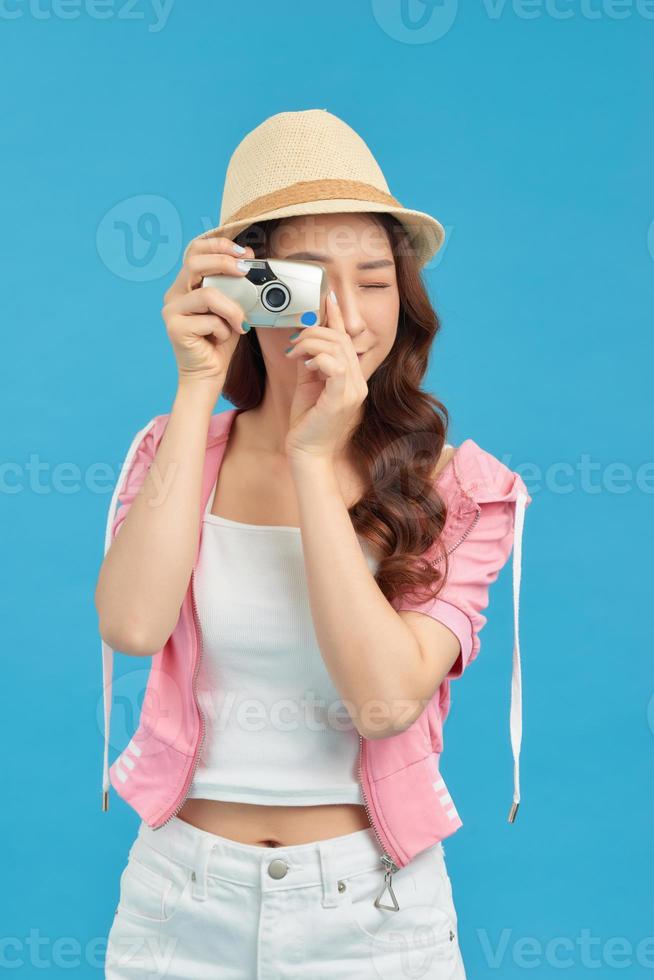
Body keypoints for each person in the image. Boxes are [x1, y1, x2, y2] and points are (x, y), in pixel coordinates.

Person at [97, 109, 531, 978]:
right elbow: (133, 626)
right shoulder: (175, 450)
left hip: (373, 914)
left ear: (402, 300)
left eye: (373, 280)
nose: (343, 313)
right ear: (242, 287)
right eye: (300, 279)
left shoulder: (463, 487)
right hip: (179, 902)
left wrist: (310, 457)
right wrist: (195, 388)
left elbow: (383, 702)